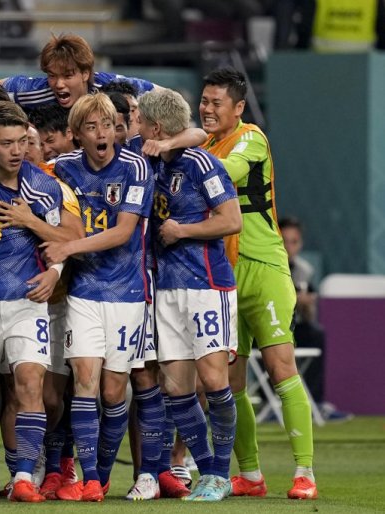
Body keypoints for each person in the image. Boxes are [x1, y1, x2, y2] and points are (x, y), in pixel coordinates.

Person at [0, 101, 83, 502]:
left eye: (22, 142)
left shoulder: (43, 186)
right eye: (7, 143)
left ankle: (24, 476)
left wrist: (53, 270)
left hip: (27, 300)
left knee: (29, 385)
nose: (17, 151)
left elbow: (68, 240)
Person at [199, 67, 317, 500]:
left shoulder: (251, 138)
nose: (207, 109)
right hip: (224, 273)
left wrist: (180, 150)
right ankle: (250, 475)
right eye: (204, 101)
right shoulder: (204, 145)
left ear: (239, 107)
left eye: (216, 103)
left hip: (264, 267)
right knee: (230, 382)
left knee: (281, 368)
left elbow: (226, 172)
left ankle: (305, 473)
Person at [41, 93, 154, 502]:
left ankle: (102, 476)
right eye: (91, 127)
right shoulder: (63, 169)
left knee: (112, 392)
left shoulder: (135, 167)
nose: (101, 133)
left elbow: (124, 232)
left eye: (106, 125)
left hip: (126, 292)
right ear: (77, 134)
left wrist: (68, 247)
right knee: (85, 382)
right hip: (83, 291)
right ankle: (88, 479)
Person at [137, 87, 241, 502]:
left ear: (155, 127)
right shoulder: (149, 161)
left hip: (206, 284)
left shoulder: (202, 163)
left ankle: (220, 472)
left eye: (140, 122)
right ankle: (208, 472)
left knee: (213, 380)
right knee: (176, 386)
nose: (135, 127)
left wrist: (183, 231)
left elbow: (230, 220)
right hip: (167, 287)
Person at [278, 217, 351, 422]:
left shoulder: (305, 270)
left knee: (316, 333)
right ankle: (271, 403)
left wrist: (307, 304)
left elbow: (308, 316)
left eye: (294, 242)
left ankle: (315, 401)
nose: (289, 247)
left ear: (300, 244)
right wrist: (293, 298)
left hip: (293, 326)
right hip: (268, 327)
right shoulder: (267, 266)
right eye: (284, 241)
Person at [0, 34, 156, 110]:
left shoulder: (111, 87)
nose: (59, 84)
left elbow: (164, 96)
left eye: (68, 75)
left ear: (85, 73)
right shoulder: (35, 90)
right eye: (52, 76)